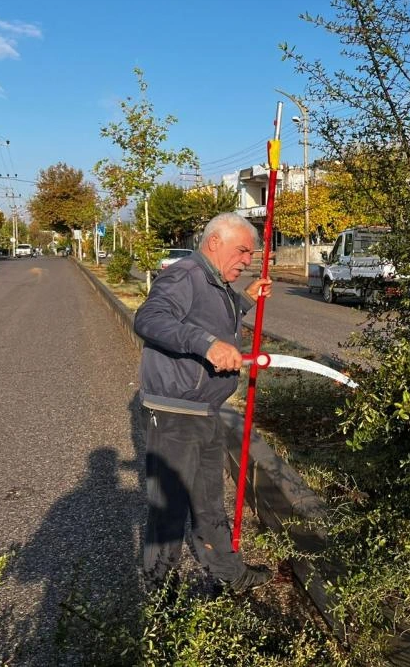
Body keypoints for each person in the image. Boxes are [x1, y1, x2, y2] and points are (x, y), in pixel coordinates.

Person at [133, 212, 274, 594]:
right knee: (170, 509)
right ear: (215, 242)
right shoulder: (186, 274)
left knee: (209, 501)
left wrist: (244, 301)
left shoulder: (214, 280)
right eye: (242, 250)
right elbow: (149, 318)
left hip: (203, 410)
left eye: (251, 253)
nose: (247, 260)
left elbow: (208, 317)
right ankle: (160, 594)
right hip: (176, 412)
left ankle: (229, 574)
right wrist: (206, 345)